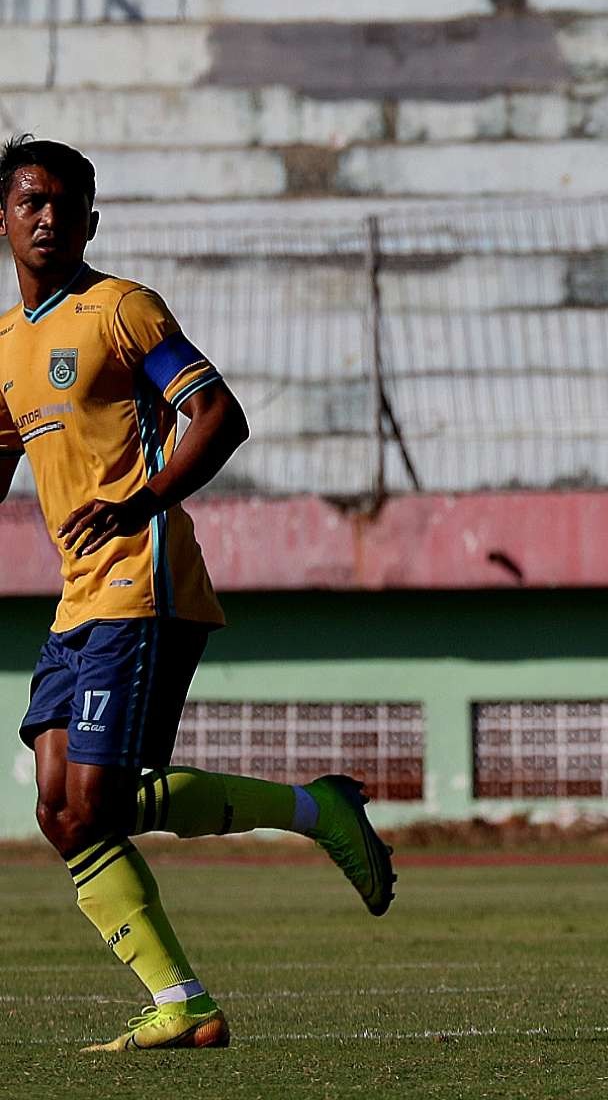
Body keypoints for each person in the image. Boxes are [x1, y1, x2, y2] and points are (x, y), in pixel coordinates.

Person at [0, 136, 395, 1053]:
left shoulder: (120, 309)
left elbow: (219, 414)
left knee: (93, 804)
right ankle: (185, 996)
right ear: (5, 218)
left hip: (144, 581)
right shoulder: (9, 345)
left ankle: (307, 824)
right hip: (75, 599)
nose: (49, 216)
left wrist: (143, 496)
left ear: (92, 220)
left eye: (66, 203)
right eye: (31, 201)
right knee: (64, 813)